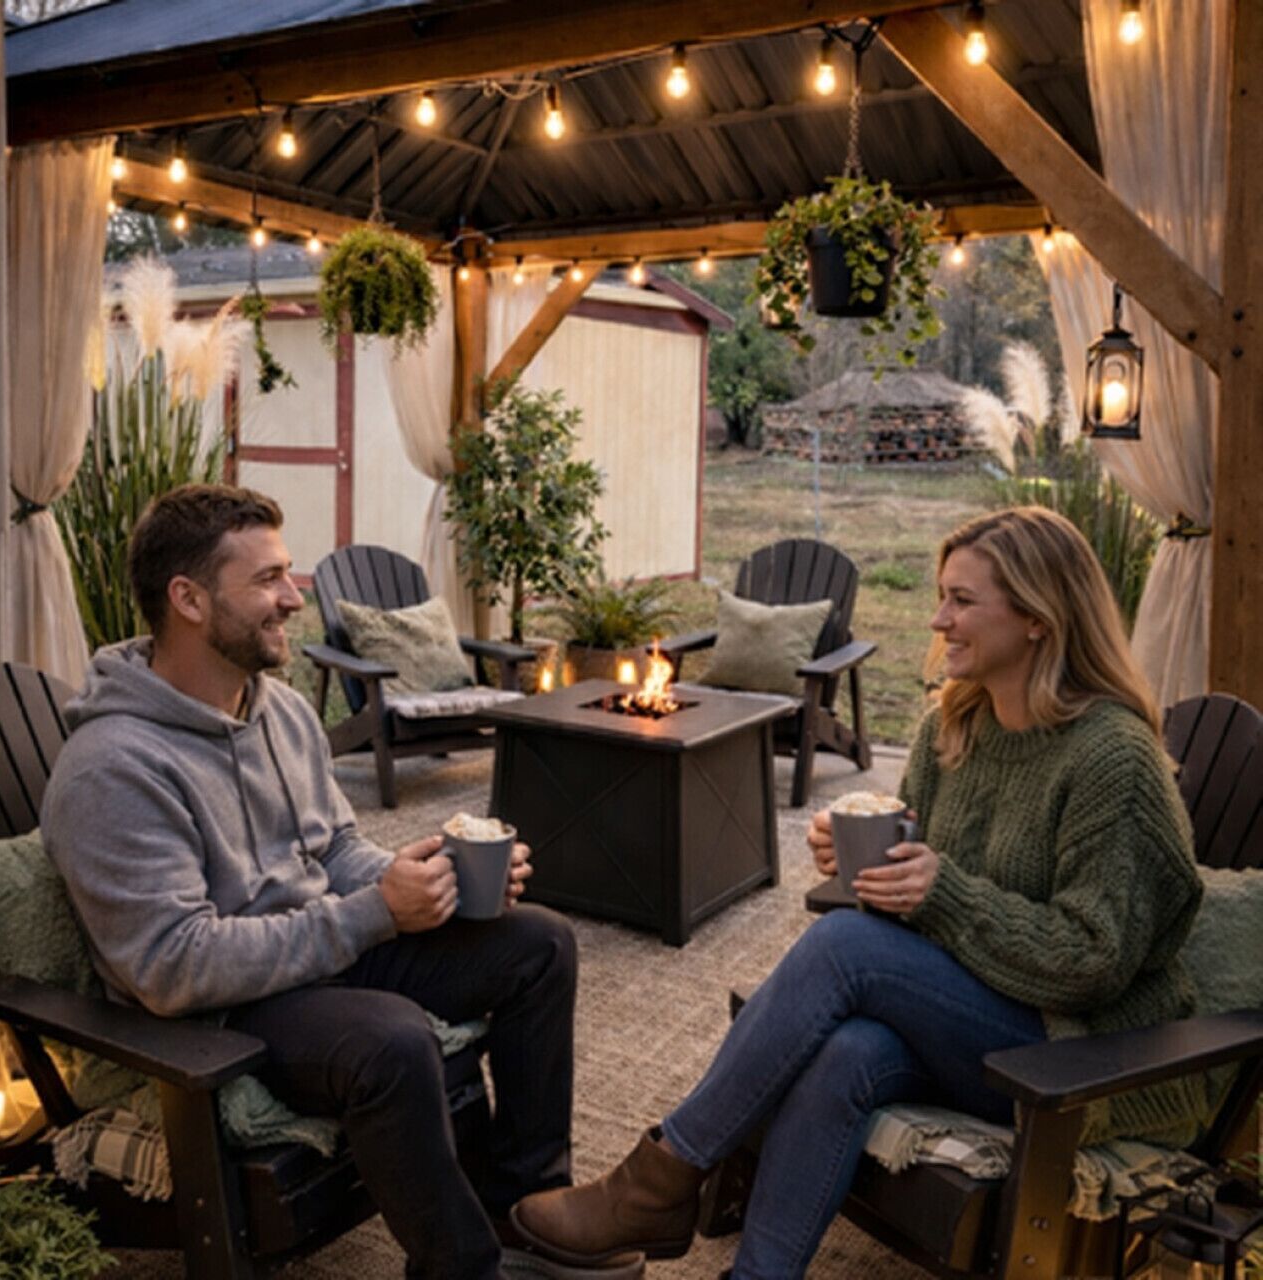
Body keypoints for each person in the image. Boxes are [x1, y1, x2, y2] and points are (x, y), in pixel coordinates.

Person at [510, 505, 1211, 1279]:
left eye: (963, 600)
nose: (939, 619)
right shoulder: (953, 727)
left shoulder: (1112, 758)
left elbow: (1094, 960)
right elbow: (911, 916)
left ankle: (659, 1181)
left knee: (844, 948)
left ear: (1039, 618)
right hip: (967, 1018)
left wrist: (941, 894)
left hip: (1079, 1049)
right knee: (849, 1051)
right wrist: (861, 870)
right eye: (942, 596)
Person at [41, 483, 595, 1280]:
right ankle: (465, 1268)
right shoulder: (112, 768)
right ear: (188, 599)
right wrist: (373, 914)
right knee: (393, 1040)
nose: (294, 598)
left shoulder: (282, 711)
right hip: (224, 1006)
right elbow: (172, 966)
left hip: (320, 945)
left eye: (288, 574)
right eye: (267, 579)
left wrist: (428, 878)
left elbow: (333, 846)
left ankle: (527, 1211)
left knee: (540, 943)